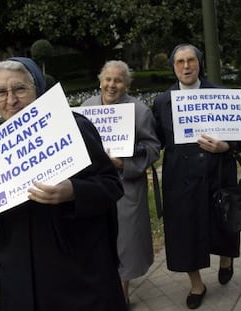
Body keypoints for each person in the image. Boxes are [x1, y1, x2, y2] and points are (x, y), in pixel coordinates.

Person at [0, 57, 128, 311]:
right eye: (1, 92)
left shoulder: (75, 127)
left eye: (20, 89)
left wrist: (73, 192)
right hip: (21, 276)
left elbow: (111, 185)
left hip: (77, 272)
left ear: (38, 90)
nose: (11, 100)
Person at [152, 44, 241, 309]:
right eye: (179, 62)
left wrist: (226, 146)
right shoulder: (162, 101)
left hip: (217, 172)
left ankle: (226, 258)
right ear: (173, 67)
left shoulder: (221, 95)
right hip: (181, 178)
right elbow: (156, 139)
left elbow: (239, 136)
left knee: (223, 222)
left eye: (191, 60)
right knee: (185, 232)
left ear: (199, 63)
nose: (186, 66)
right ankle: (197, 284)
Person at [82, 60, 160, 305]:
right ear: (100, 81)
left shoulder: (139, 111)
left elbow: (153, 148)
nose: (111, 85)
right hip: (94, 186)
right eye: (107, 79)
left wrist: (122, 164)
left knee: (125, 241)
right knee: (97, 239)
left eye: (117, 80)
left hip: (125, 185)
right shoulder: (86, 108)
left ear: (127, 84)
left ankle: (122, 294)